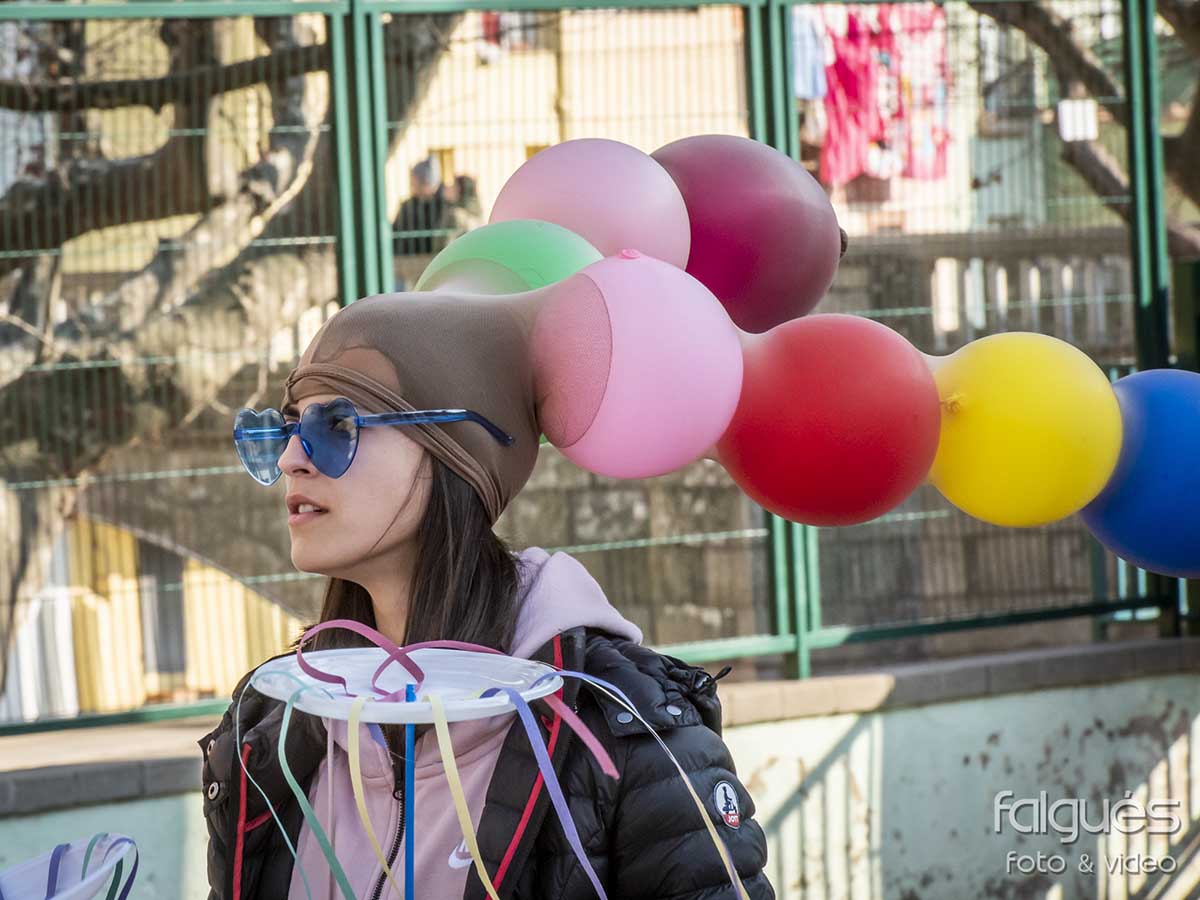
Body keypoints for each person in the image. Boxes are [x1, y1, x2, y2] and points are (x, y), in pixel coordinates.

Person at [201, 291, 775, 899]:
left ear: (456, 454)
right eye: (288, 428)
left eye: (336, 426)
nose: (292, 458)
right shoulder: (268, 727)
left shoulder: (626, 729)